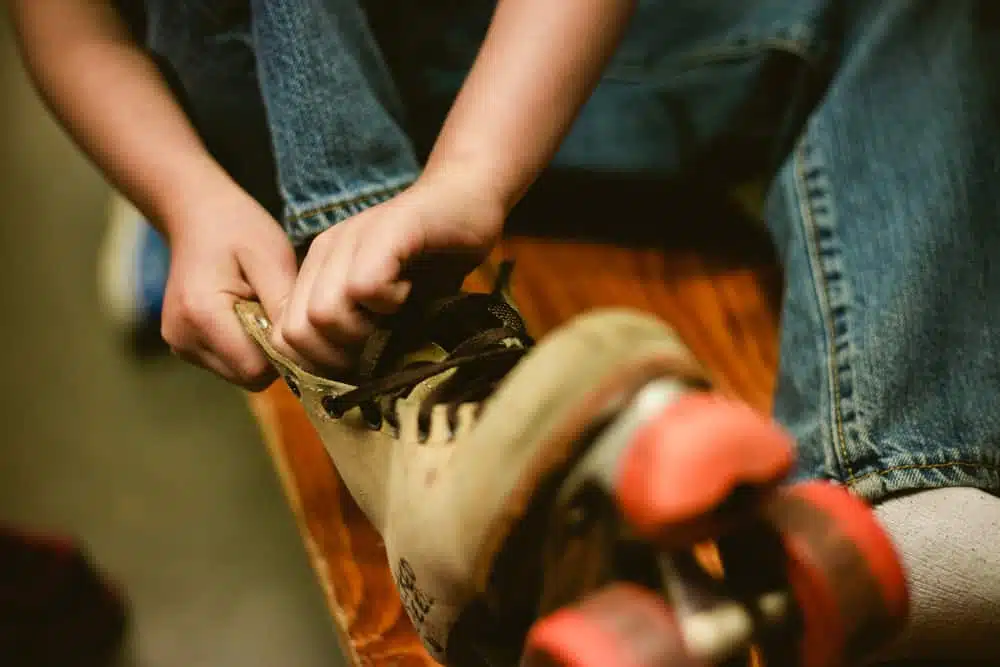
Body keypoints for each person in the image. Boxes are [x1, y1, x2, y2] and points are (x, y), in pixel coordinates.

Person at [8, 0, 1000, 660]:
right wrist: (185, 200)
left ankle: (894, 517)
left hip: (528, 63)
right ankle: (427, 377)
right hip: (282, 110)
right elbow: (67, 26)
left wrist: (473, 173)